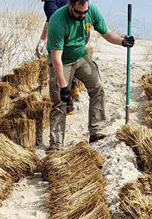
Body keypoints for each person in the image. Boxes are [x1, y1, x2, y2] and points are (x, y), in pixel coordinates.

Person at [47, 0, 135, 149]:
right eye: (78, 12)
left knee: (98, 88)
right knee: (60, 102)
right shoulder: (57, 21)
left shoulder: (91, 11)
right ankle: (56, 145)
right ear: (70, 5)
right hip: (63, 61)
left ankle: (96, 131)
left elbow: (107, 33)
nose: (82, 16)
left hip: (81, 57)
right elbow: (56, 59)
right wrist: (63, 87)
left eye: (84, 12)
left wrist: (123, 41)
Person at [36, 0, 82, 103]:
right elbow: (51, 20)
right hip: (81, 32)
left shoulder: (50, 3)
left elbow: (54, 21)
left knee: (57, 61)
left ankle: (68, 99)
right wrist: (42, 39)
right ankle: (74, 88)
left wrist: (42, 41)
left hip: (70, 33)